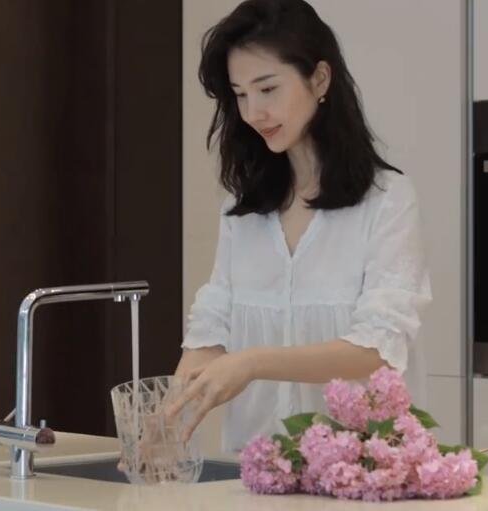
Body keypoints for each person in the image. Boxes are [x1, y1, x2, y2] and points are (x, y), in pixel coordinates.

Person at [166, 0, 432, 453]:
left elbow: (377, 348)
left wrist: (252, 363)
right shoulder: (242, 211)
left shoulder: (386, 200)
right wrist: (166, 424)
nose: (253, 112)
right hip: (255, 474)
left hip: (362, 473)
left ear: (320, 79)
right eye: (240, 94)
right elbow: (210, 330)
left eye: (267, 89)